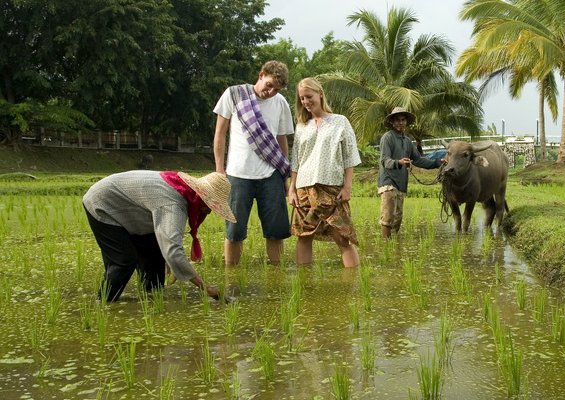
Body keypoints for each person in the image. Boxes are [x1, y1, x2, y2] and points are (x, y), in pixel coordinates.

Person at [83, 171, 236, 302]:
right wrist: (206, 288)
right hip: (103, 204)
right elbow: (173, 251)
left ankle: (151, 300)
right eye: (210, 207)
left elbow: (166, 238)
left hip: (132, 210)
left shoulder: (183, 189)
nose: (209, 212)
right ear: (202, 198)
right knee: (124, 261)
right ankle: (103, 303)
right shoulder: (174, 204)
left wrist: (171, 261)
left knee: (155, 259)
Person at [212, 60, 293, 267]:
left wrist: (285, 175)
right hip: (238, 175)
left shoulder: (281, 102)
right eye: (269, 85)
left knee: (276, 232)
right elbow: (220, 135)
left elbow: (282, 140)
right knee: (234, 233)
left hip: (271, 175)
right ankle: (232, 277)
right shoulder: (234, 94)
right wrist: (220, 171)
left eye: (277, 89)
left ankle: (277, 279)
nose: (271, 92)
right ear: (261, 75)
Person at [288, 77, 361, 268]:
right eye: (302, 98)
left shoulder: (340, 122)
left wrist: (347, 186)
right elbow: (296, 159)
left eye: (309, 96)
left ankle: (354, 282)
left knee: (342, 237)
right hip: (304, 187)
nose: (305, 102)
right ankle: (305, 285)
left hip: (332, 188)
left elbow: (349, 156)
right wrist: (292, 189)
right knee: (304, 237)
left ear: (320, 94)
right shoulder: (302, 125)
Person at [378, 107, 443, 239]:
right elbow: (385, 160)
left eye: (403, 120)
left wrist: (438, 162)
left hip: (401, 183)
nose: (400, 123)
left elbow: (419, 160)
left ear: (406, 122)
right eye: (397, 120)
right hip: (388, 181)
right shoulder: (387, 138)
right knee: (388, 215)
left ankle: (394, 244)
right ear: (392, 122)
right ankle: (386, 245)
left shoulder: (407, 141)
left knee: (398, 217)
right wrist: (399, 162)